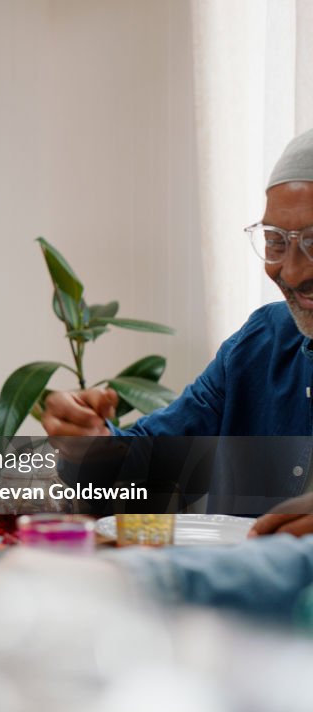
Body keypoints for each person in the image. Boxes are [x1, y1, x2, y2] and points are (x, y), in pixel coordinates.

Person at [41, 128, 313, 534]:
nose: (290, 272)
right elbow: (145, 470)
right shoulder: (257, 346)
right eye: (275, 241)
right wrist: (92, 448)